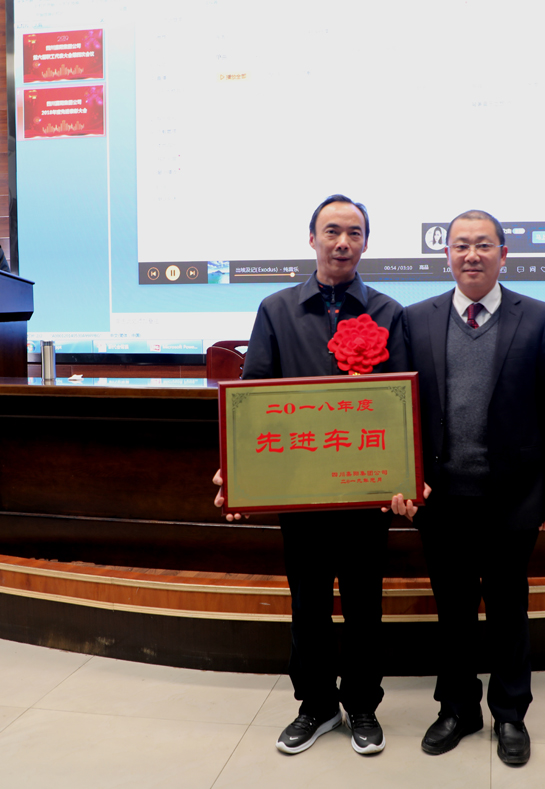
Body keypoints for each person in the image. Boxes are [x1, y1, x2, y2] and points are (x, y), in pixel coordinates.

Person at [214, 195, 408, 756]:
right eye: (332, 231)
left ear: (366, 242)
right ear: (312, 239)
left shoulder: (389, 312)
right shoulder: (276, 309)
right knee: (308, 602)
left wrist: (404, 473)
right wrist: (239, 470)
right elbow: (253, 397)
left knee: (365, 603)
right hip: (300, 486)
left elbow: (400, 403)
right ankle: (316, 706)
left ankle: (363, 706)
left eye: (354, 233)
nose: (342, 242)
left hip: (367, 486)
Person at [393, 209, 545, 766]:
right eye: (461, 245)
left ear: (503, 254)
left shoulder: (537, 316)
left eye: (483, 245)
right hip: (441, 496)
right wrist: (401, 481)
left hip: (512, 495)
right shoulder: (415, 319)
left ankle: (511, 713)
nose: (471, 255)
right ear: (446, 253)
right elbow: (399, 406)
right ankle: (458, 709)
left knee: (507, 607)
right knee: (452, 609)